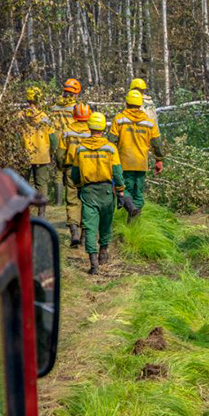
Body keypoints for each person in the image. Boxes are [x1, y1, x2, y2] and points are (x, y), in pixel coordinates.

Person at [71, 112, 126, 275]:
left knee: (89, 226)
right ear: (103, 128)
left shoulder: (80, 148)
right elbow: (117, 172)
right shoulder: (110, 148)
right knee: (105, 223)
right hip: (107, 191)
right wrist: (121, 191)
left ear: (89, 127)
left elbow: (75, 173)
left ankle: (93, 263)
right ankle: (104, 251)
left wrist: (79, 186)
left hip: (88, 191)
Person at [109, 89, 164, 219]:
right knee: (138, 193)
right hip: (141, 163)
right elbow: (156, 143)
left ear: (126, 103)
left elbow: (111, 141)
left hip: (123, 162)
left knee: (123, 189)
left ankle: (131, 209)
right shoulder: (149, 122)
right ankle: (134, 223)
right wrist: (159, 159)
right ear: (140, 104)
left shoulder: (119, 119)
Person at [56, 103, 92, 247]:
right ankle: (84, 236)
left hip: (71, 169)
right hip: (88, 170)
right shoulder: (92, 132)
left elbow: (59, 154)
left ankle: (74, 233)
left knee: (72, 200)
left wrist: (62, 168)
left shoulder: (67, 131)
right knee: (87, 201)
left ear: (74, 115)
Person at [18, 86, 55, 217]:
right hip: (42, 154)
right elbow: (52, 136)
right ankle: (42, 214)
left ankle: (23, 212)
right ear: (39, 99)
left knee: (23, 183)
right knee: (41, 184)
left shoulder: (20, 116)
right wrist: (52, 151)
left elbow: (15, 135)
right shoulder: (45, 117)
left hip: (24, 154)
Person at [50, 78, 85, 206]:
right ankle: (74, 200)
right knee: (73, 170)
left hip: (57, 142)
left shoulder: (54, 106)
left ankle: (58, 203)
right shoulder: (76, 107)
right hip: (72, 141)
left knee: (58, 172)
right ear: (75, 93)